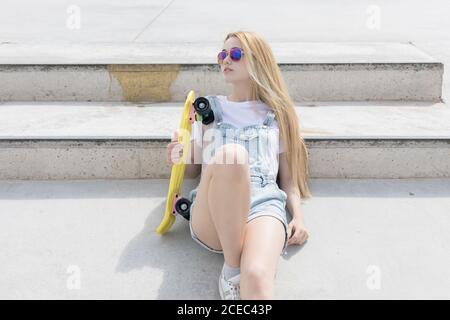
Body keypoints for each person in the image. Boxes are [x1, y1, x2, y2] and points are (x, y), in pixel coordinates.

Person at [167, 31, 312, 300]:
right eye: (222, 55)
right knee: (233, 156)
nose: (225, 60)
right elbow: (191, 169)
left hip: (263, 203)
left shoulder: (278, 114)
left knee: (256, 275)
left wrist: (298, 218)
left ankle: (241, 275)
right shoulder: (206, 109)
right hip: (212, 207)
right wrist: (178, 153)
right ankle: (232, 270)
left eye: (234, 54)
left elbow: (288, 180)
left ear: (258, 60)